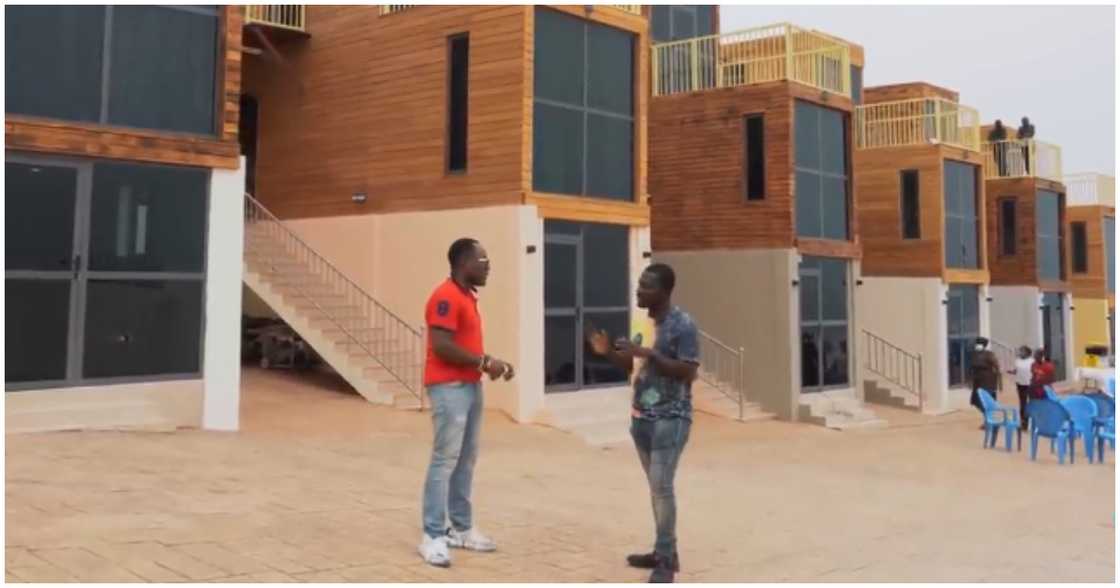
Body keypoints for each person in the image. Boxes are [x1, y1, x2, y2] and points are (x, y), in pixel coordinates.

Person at [586, 263, 699, 584]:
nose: (638, 290)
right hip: (641, 419)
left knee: (662, 487)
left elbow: (688, 371)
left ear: (664, 292)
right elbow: (629, 361)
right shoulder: (640, 320)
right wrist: (607, 351)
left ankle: (666, 560)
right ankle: (664, 550)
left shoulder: (683, 325)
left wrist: (648, 352)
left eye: (646, 286)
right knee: (656, 488)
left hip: (671, 418)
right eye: (638, 284)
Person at [418, 238, 515, 568]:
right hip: (449, 387)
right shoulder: (445, 296)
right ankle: (432, 536)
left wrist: (487, 365)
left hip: (470, 386)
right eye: (482, 259)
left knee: (466, 460)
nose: (488, 265)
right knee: (445, 459)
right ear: (463, 263)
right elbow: (442, 345)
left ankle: (460, 528)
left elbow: (465, 347)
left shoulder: (466, 297)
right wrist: (486, 363)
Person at [969, 337, 1001, 427]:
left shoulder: (989, 354)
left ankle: (991, 420)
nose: (977, 345)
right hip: (977, 381)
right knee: (975, 401)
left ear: (983, 345)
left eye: (978, 343)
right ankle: (988, 418)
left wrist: (998, 383)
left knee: (988, 401)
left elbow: (997, 367)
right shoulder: (974, 354)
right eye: (976, 343)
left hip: (988, 381)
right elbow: (972, 367)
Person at [1008, 345, 1034, 431]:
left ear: (1027, 352)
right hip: (1020, 384)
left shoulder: (1032, 361)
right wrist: (1011, 372)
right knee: (1023, 404)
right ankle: (1024, 423)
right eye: (1020, 351)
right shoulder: (1017, 361)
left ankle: (1034, 422)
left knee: (1032, 403)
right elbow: (1016, 371)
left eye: (1022, 351)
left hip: (1030, 384)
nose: (1020, 353)